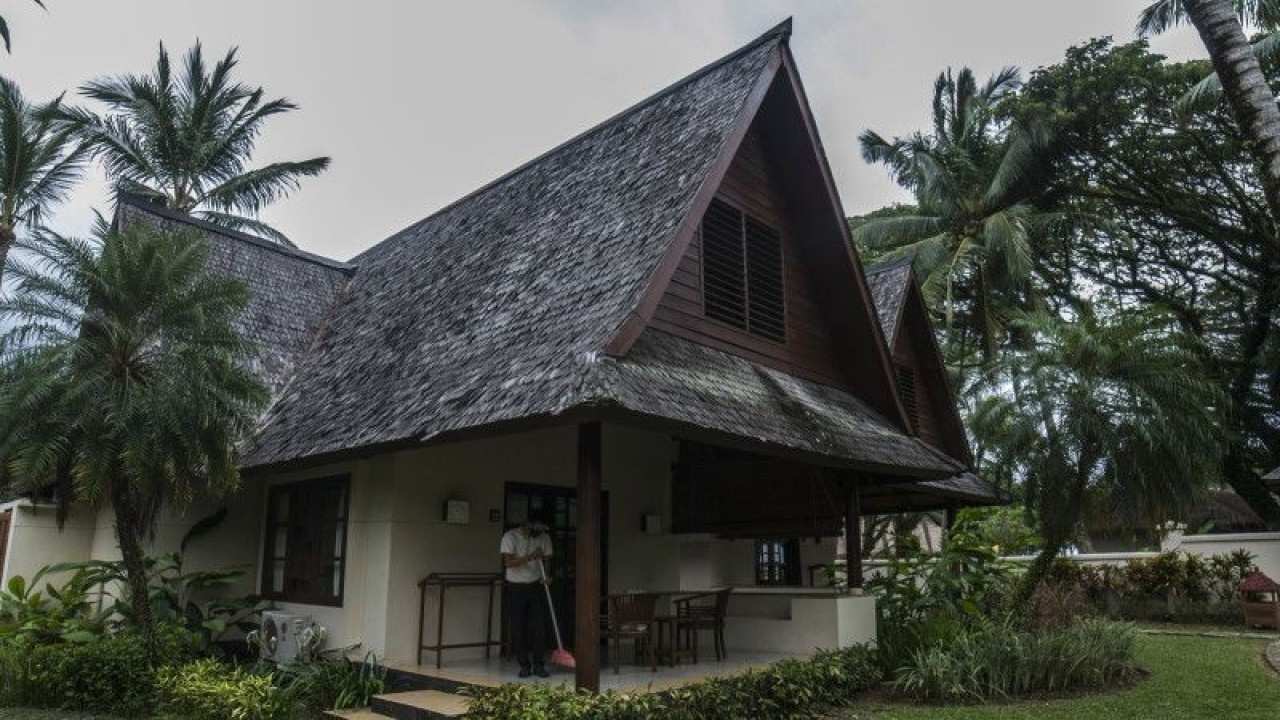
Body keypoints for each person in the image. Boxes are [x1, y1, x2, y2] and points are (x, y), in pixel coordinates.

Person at [500, 510, 554, 678]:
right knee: (518, 626)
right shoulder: (510, 537)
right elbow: (508, 563)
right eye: (538, 527)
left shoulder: (544, 537)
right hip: (515, 587)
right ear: (528, 523)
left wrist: (549, 575)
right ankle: (524, 665)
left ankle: (539, 665)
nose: (541, 531)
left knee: (539, 627)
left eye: (544, 528)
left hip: (536, 585)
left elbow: (547, 559)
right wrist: (530, 557)